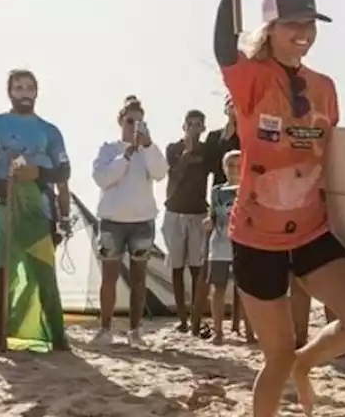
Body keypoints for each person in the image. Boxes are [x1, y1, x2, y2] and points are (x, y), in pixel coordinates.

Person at [214, 0, 345, 417]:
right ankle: (288, 369)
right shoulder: (251, 79)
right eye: (293, 23)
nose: (304, 31)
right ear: (270, 27)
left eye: (310, 22)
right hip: (256, 236)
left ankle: (306, 364)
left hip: (311, 230)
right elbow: (224, 45)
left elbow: (336, 161)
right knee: (276, 356)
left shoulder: (325, 88)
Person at [0, 69, 71, 352]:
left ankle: (56, 338)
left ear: (36, 92)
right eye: (18, 87)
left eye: (29, 87)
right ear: (10, 92)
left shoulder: (49, 131)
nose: (24, 92)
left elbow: (63, 170)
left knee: (42, 274)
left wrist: (38, 172)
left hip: (36, 212)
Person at [90, 95, 168, 347]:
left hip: (142, 221)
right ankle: (105, 329)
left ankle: (135, 331)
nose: (134, 126)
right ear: (120, 121)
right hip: (112, 221)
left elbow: (160, 172)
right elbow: (103, 178)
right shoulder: (109, 148)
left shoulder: (150, 150)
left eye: (140, 122)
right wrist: (127, 154)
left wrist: (147, 146)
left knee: (139, 278)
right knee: (109, 278)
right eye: (130, 121)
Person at [196, 149, 254, 344]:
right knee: (218, 289)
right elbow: (213, 215)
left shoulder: (249, 188)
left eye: (238, 165)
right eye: (230, 165)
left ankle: (249, 333)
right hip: (219, 246)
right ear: (224, 168)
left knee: (246, 291)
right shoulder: (217, 192)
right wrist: (208, 222)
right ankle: (219, 332)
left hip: (243, 245)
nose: (234, 169)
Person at [163, 109, 212, 333]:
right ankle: (181, 318)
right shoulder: (173, 149)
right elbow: (174, 175)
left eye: (198, 124)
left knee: (197, 268)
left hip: (198, 213)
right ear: (184, 126)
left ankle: (196, 319)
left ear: (203, 128)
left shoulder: (207, 151)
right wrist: (186, 153)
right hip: (174, 212)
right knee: (176, 266)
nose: (194, 128)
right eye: (190, 124)